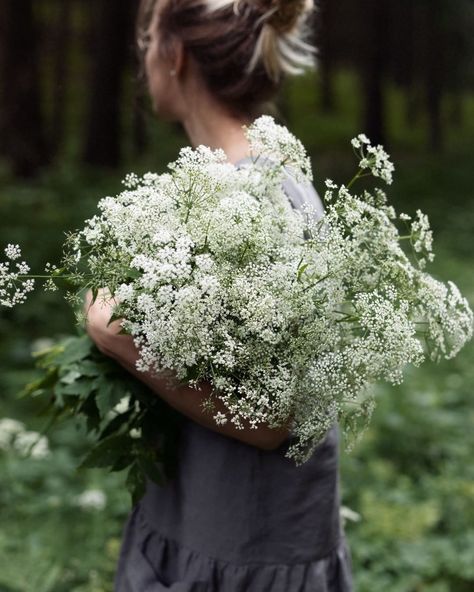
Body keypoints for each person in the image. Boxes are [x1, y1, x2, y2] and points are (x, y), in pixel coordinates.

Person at [85, 0, 354, 590]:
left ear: (174, 54)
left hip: (240, 545)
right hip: (206, 519)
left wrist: (122, 343)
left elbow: (275, 421)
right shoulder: (236, 178)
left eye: (148, 37)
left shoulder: (259, 193)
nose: (142, 56)